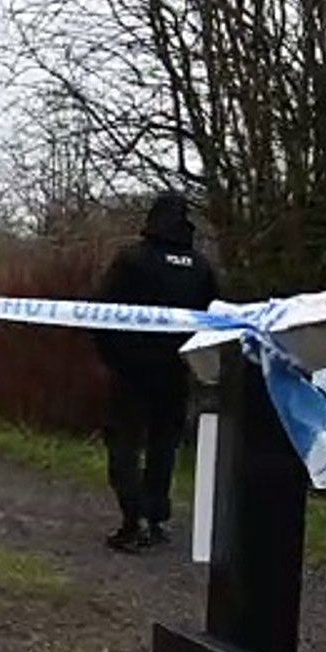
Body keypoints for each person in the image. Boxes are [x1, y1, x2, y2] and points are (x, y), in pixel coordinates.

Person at [92, 191, 219, 553]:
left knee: (125, 444)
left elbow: (100, 312)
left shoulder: (131, 260)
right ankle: (156, 516)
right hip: (177, 371)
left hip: (131, 372)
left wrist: (112, 358)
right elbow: (213, 319)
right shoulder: (200, 266)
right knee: (165, 446)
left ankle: (133, 520)